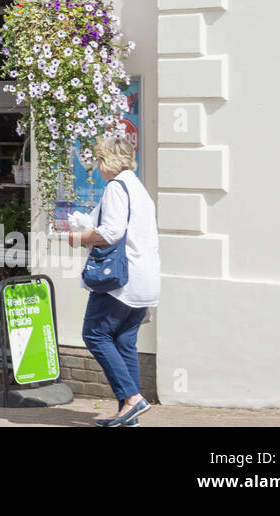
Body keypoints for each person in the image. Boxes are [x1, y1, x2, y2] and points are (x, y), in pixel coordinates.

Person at [67, 133, 160, 427]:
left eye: (98, 159)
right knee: (123, 342)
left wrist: (78, 238)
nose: (97, 165)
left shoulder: (116, 187)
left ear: (107, 160)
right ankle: (128, 415)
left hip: (120, 281)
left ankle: (132, 398)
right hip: (145, 280)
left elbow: (111, 232)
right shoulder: (138, 188)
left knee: (94, 334)